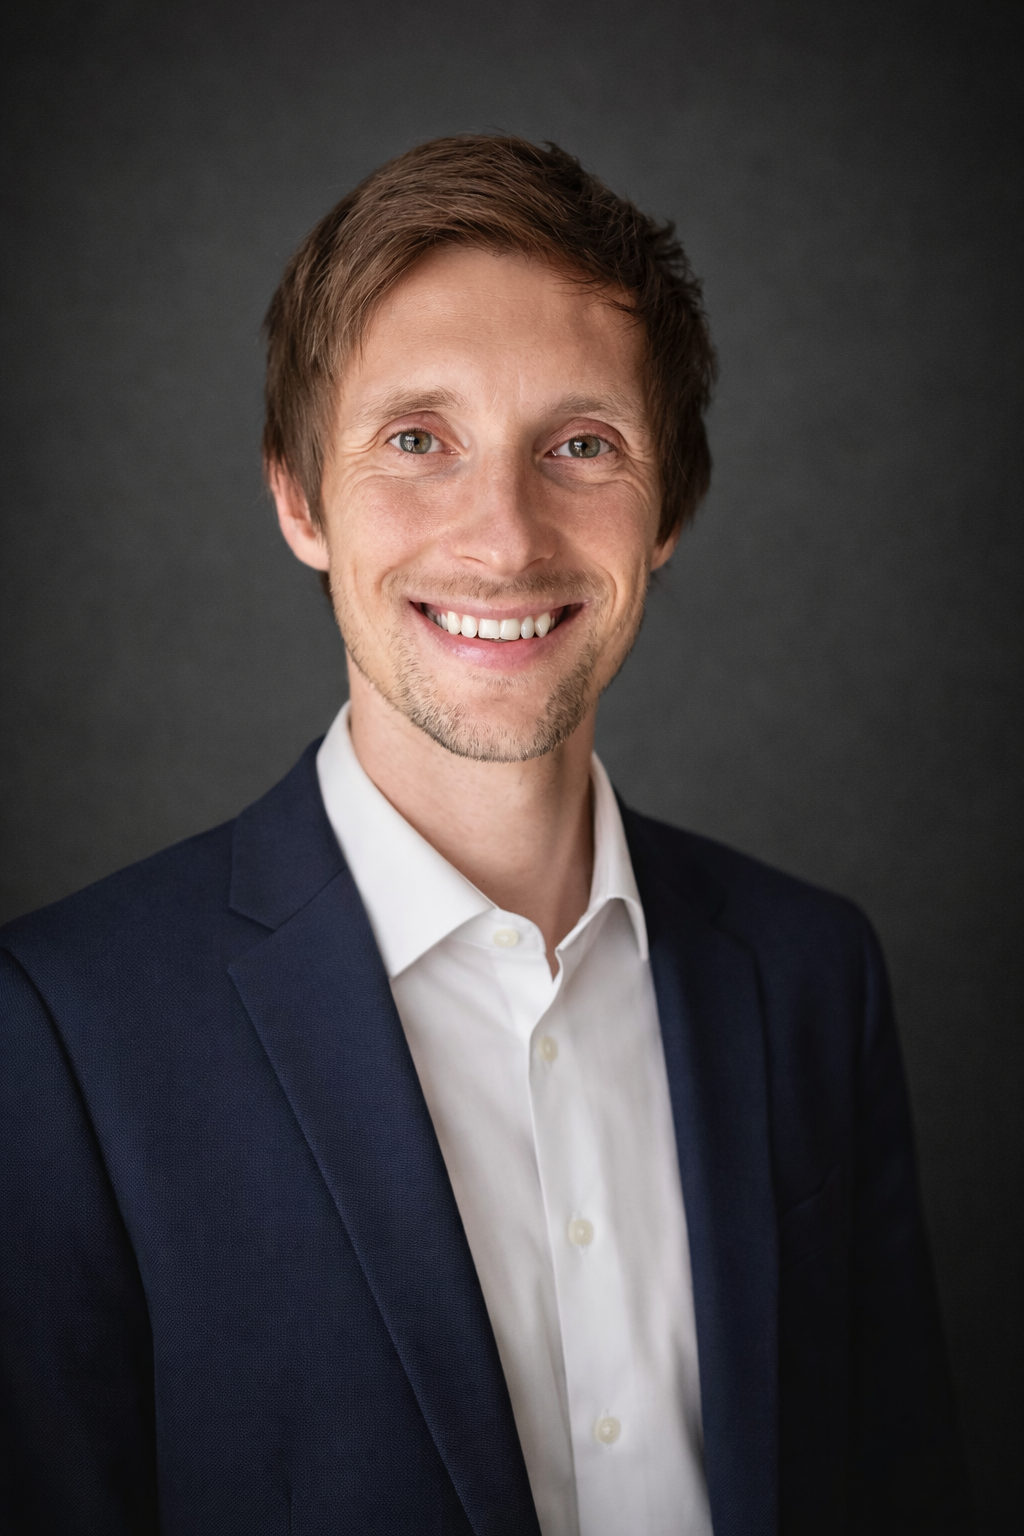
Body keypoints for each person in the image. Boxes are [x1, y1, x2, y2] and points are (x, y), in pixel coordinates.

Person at [0, 136, 969, 1536]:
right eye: (416, 442)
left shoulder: (814, 974)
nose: (505, 540)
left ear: (673, 504)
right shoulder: (61, 1035)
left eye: (581, 445)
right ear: (295, 497)